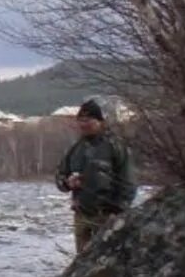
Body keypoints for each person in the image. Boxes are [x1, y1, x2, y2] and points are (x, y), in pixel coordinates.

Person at [55, 98, 136, 251]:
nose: (84, 124)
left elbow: (129, 182)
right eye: (81, 120)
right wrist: (67, 183)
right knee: (82, 262)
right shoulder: (75, 149)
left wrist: (118, 211)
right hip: (81, 214)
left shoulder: (115, 146)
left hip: (107, 215)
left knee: (108, 258)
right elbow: (59, 176)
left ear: (100, 121)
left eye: (88, 120)